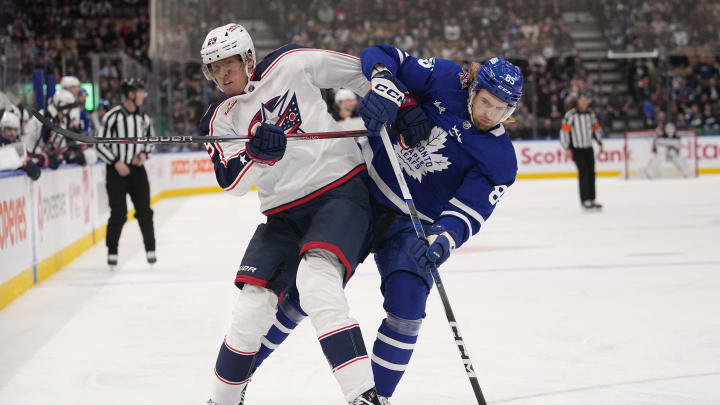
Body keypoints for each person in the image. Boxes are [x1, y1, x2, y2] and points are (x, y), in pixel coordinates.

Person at [247, 47, 523, 403]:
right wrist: (392, 92)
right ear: (472, 87)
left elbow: (470, 210)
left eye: (503, 110)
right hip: (362, 189)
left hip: (414, 225)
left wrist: (444, 238)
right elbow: (383, 55)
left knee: (408, 308)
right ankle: (243, 369)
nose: (491, 114)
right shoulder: (444, 77)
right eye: (487, 102)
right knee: (308, 291)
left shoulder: (501, 160)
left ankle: (371, 398)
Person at [198, 23, 384, 405]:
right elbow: (231, 183)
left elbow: (358, 72)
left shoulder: (291, 62)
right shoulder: (219, 118)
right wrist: (253, 153)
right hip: (282, 217)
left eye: (229, 64)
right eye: (215, 68)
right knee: (250, 308)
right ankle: (221, 400)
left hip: (339, 194)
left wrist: (389, 101)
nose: (223, 75)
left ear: (248, 58)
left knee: (317, 284)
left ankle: (363, 397)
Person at [96, 78, 156, 270]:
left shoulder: (144, 118)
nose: (143, 95)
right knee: (119, 213)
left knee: (144, 211)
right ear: (130, 94)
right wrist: (115, 162)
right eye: (140, 91)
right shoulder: (112, 117)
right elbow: (99, 144)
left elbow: (151, 141)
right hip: (116, 172)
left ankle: (151, 249)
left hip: (137, 171)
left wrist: (143, 154)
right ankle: (112, 251)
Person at [560, 88, 603, 211]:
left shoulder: (591, 114)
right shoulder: (570, 115)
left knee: (592, 173)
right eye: (582, 99)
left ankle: (592, 199)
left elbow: (597, 129)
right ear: (578, 100)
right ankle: (585, 201)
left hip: (588, 148)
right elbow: (564, 132)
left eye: (586, 100)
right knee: (583, 173)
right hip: (577, 149)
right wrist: (567, 148)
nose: (584, 102)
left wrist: (600, 142)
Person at [0, 111, 41, 180]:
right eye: (9, 129)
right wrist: (22, 165)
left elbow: (35, 169)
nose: (12, 133)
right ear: (2, 130)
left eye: (15, 130)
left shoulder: (19, 146)